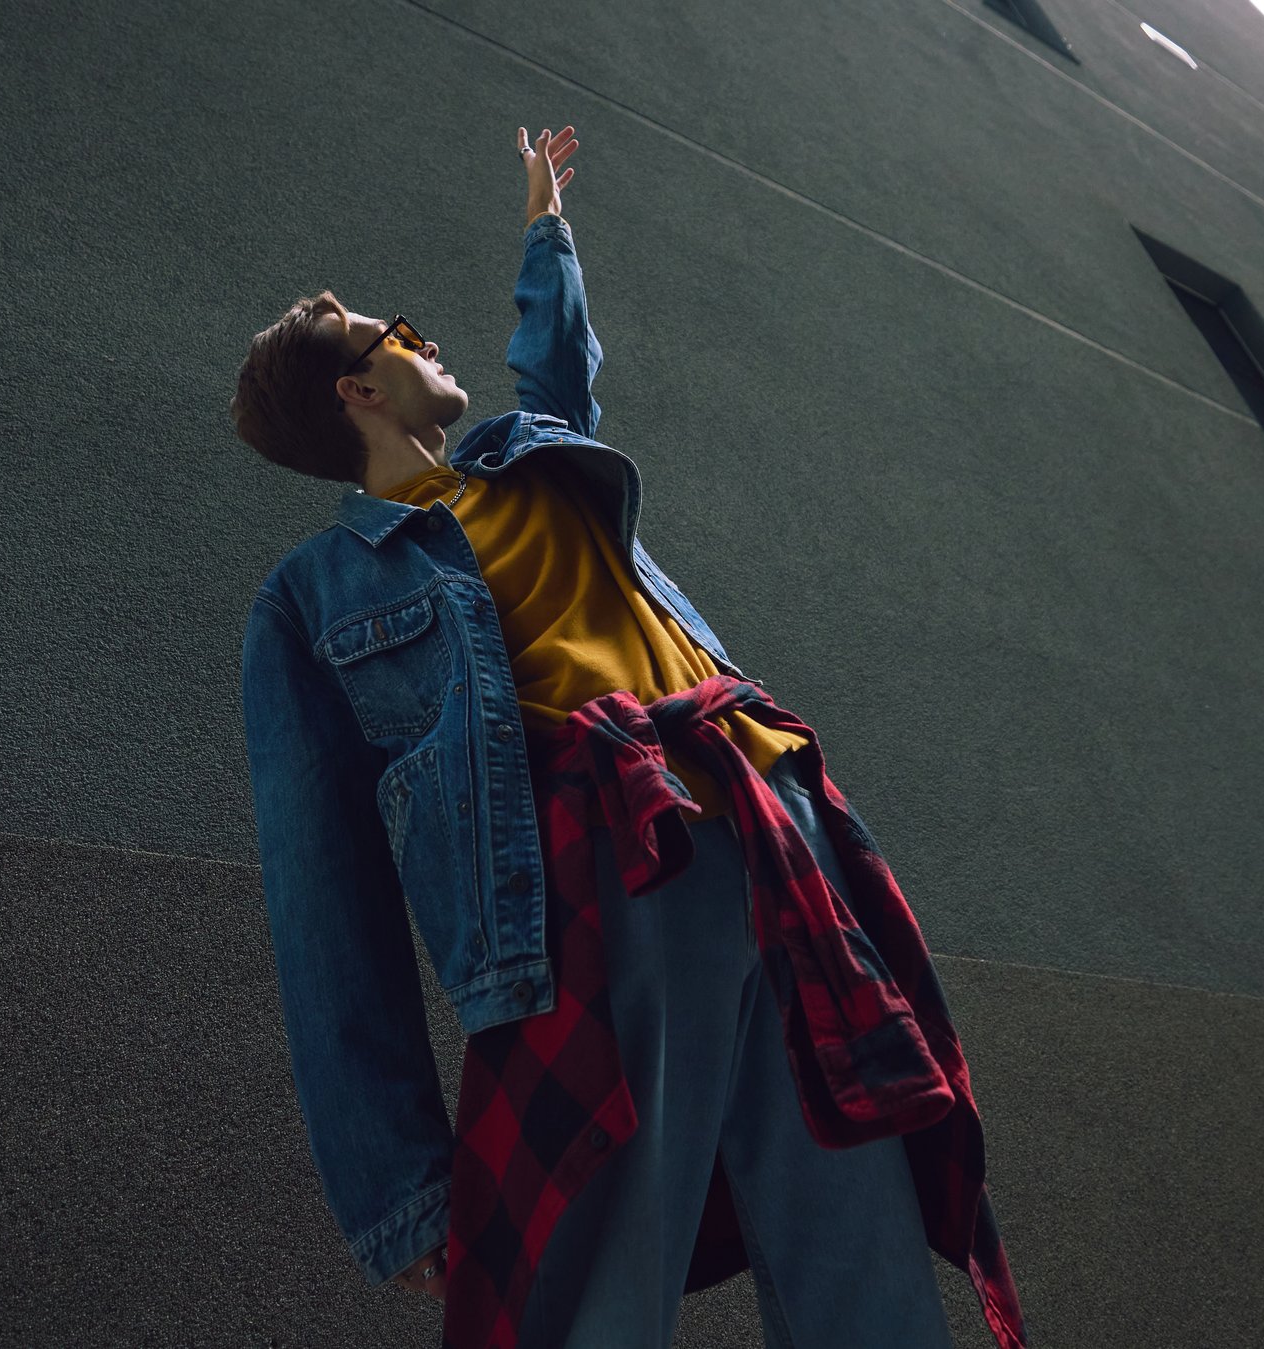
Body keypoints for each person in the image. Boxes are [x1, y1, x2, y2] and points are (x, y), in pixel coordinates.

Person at [230, 123, 1027, 1349]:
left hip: (778, 830)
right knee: (597, 1280)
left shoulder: (531, 460)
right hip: (607, 876)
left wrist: (548, 225)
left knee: (859, 1240)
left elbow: (558, 374)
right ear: (358, 388)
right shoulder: (313, 595)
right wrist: (396, 1177)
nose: (426, 338)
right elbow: (319, 888)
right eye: (397, 334)